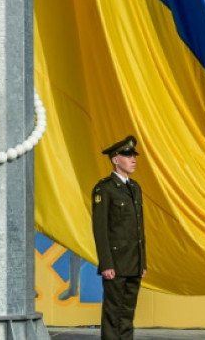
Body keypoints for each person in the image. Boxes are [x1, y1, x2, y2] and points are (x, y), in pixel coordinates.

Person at [93, 135, 147, 340]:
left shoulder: (135, 188)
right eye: (127, 155)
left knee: (127, 313)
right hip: (115, 262)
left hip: (133, 261)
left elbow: (139, 229)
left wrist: (143, 261)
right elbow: (100, 229)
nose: (133, 159)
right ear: (116, 160)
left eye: (134, 155)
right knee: (113, 313)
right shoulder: (104, 189)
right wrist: (106, 263)